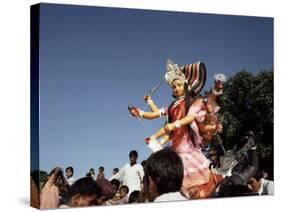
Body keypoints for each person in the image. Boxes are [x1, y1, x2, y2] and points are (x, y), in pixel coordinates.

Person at [129, 60, 223, 198]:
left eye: (179, 85)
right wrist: (141, 112)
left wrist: (175, 124)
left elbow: (190, 118)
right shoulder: (172, 106)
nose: (176, 88)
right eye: (173, 87)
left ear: (185, 85)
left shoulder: (190, 103)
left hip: (187, 151)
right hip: (175, 151)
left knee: (196, 187)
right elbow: (155, 114)